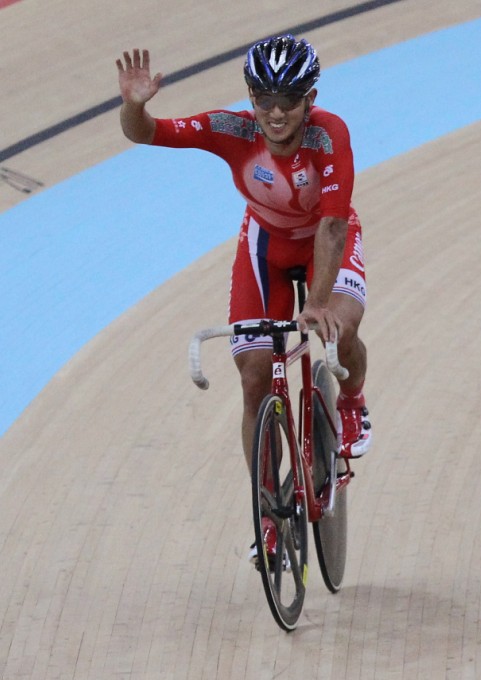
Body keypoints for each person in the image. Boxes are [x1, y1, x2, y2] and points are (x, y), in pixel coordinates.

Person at [117, 35, 372, 563]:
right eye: (265, 99)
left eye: (289, 100)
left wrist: (317, 303)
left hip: (325, 240)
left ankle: (351, 402)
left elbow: (331, 227)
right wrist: (134, 107)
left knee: (340, 327)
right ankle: (268, 514)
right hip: (266, 247)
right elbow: (148, 133)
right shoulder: (231, 129)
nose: (276, 113)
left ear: (310, 98)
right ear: (251, 97)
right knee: (255, 377)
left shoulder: (329, 135)